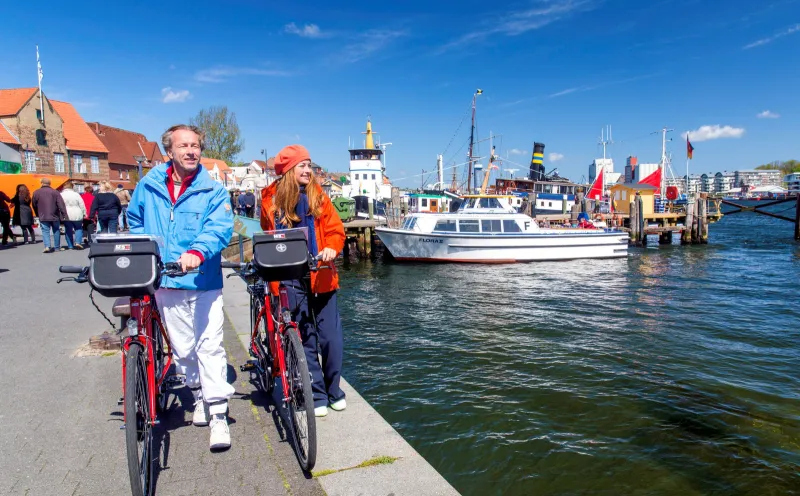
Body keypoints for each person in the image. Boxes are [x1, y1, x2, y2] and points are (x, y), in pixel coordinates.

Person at [127, 124, 234, 451]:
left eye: (196, 146)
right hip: (166, 280)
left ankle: (218, 415)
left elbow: (220, 228)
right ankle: (198, 393)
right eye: (184, 146)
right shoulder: (148, 186)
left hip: (203, 280)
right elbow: (135, 222)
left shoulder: (212, 190)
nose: (191, 151)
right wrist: (143, 254)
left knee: (209, 345)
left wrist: (197, 252)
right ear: (169, 151)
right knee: (183, 349)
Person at [260, 144, 346, 418]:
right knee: (305, 337)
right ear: (288, 171)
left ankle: (334, 390)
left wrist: (331, 247)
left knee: (331, 338)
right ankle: (317, 394)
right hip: (289, 277)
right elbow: (267, 233)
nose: (308, 170)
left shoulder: (319, 197)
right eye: (302, 165)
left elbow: (335, 230)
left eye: (309, 164)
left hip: (320, 272)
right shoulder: (270, 201)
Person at [32, 177, 67, 253]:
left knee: (45, 231)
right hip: (55, 215)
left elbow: (34, 204)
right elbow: (61, 204)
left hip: (43, 215)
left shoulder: (36, 192)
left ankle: (47, 246)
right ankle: (57, 247)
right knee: (56, 230)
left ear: (41, 183)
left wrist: (37, 213)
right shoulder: (55, 192)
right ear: (50, 184)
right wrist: (64, 214)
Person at [60, 182, 86, 250]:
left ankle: (70, 245)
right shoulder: (76, 194)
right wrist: (84, 213)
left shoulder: (61, 195)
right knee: (78, 228)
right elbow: (81, 204)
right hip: (77, 212)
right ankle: (78, 242)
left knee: (68, 230)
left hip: (66, 214)